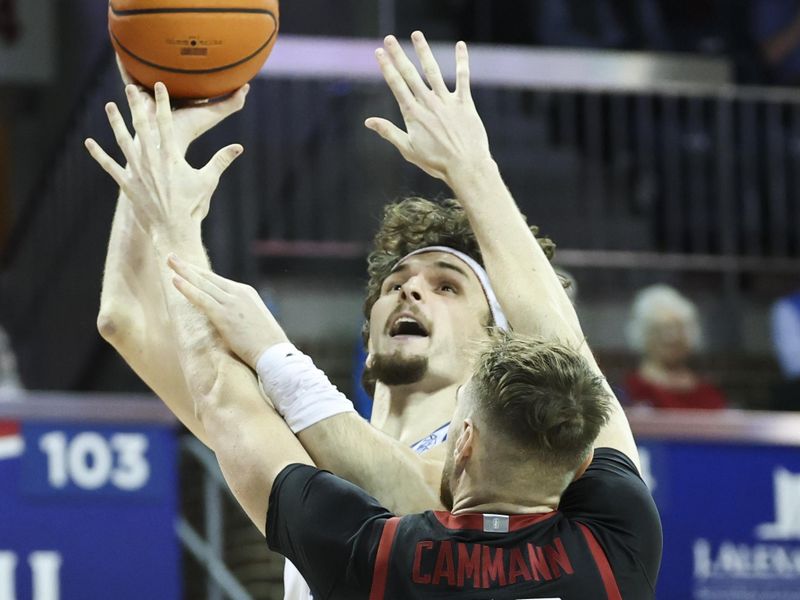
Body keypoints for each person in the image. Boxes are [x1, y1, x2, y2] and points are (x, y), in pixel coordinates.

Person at [86, 31, 661, 596]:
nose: (410, 291)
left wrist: (473, 170)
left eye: (448, 286)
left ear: (498, 342)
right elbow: (126, 318)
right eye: (396, 282)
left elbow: (411, 484)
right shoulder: (311, 435)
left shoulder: (491, 465)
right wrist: (160, 148)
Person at [624, 284, 726, 409]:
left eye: (678, 328)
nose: (671, 338)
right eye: (660, 329)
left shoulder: (708, 393)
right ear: (642, 334)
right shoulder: (630, 392)